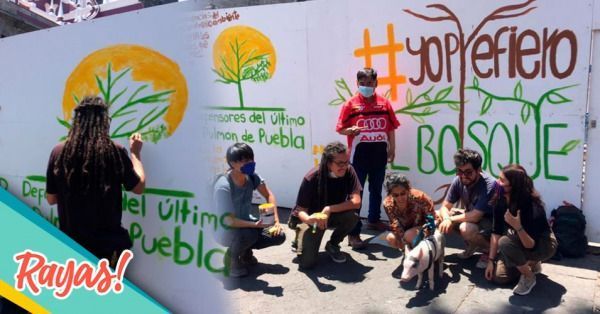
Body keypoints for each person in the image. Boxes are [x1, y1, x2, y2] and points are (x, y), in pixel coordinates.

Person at [46, 96, 146, 268]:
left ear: (76, 121)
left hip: (72, 250)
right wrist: (135, 154)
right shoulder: (115, 151)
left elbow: (51, 199)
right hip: (108, 250)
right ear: (104, 122)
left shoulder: (59, 152)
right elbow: (138, 187)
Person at [336, 67, 400, 249]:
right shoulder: (350, 104)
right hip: (359, 156)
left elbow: (391, 128)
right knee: (357, 194)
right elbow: (340, 128)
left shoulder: (385, 104)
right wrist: (349, 130)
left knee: (377, 189)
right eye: (362, 83)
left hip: (379, 153)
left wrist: (392, 147)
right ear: (357, 84)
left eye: (370, 83)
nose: (366, 86)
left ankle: (373, 219)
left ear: (376, 83)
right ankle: (353, 234)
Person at [214, 143, 285, 278]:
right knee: (250, 234)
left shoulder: (252, 176)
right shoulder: (223, 186)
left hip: (246, 223)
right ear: (232, 163)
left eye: (250, 159)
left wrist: (276, 221)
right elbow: (228, 220)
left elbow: (269, 195)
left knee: (278, 235)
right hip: (223, 230)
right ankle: (231, 260)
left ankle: (245, 253)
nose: (250, 163)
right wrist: (255, 225)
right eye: (244, 161)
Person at [484, 164, 557, 295]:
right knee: (499, 277)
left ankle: (529, 276)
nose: (497, 183)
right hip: (517, 241)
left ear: (513, 186)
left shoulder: (532, 206)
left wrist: (517, 226)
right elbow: (496, 232)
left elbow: (531, 245)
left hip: (542, 245)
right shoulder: (500, 200)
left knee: (504, 243)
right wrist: (490, 261)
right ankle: (529, 263)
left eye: (502, 180)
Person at [294, 141, 362, 269]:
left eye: (346, 162)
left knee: (353, 216)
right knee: (306, 264)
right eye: (339, 163)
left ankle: (333, 244)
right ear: (328, 163)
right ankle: (300, 233)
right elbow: (300, 210)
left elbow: (356, 202)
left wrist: (329, 209)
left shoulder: (349, 170)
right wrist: (309, 219)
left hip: (332, 214)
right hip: (313, 220)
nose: (344, 166)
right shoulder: (311, 178)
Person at [437, 148, 496, 268]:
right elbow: (445, 207)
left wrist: (449, 219)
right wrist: (446, 217)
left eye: (468, 172)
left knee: (466, 228)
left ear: (478, 170)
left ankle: (491, 251)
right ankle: (472, 244)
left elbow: (475, 216)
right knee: (437, 215)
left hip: (494, 223)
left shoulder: (489, 184)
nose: (463, 176)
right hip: (476, 218)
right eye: (459, 171)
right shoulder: (458, 180)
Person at [382, 173, 437, 251]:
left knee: (409, 235)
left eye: (403, 193)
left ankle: (421, 251)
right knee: (390, 238)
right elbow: (395, 224)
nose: (400, 198)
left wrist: (427, 234)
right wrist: (402, 241)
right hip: (404, 231)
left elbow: (432, 220)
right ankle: (409, 252)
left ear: (408, 190)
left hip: (423, 228)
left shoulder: (421, 198)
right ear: (390, 194)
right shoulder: (387, 203)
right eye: (396, 195)